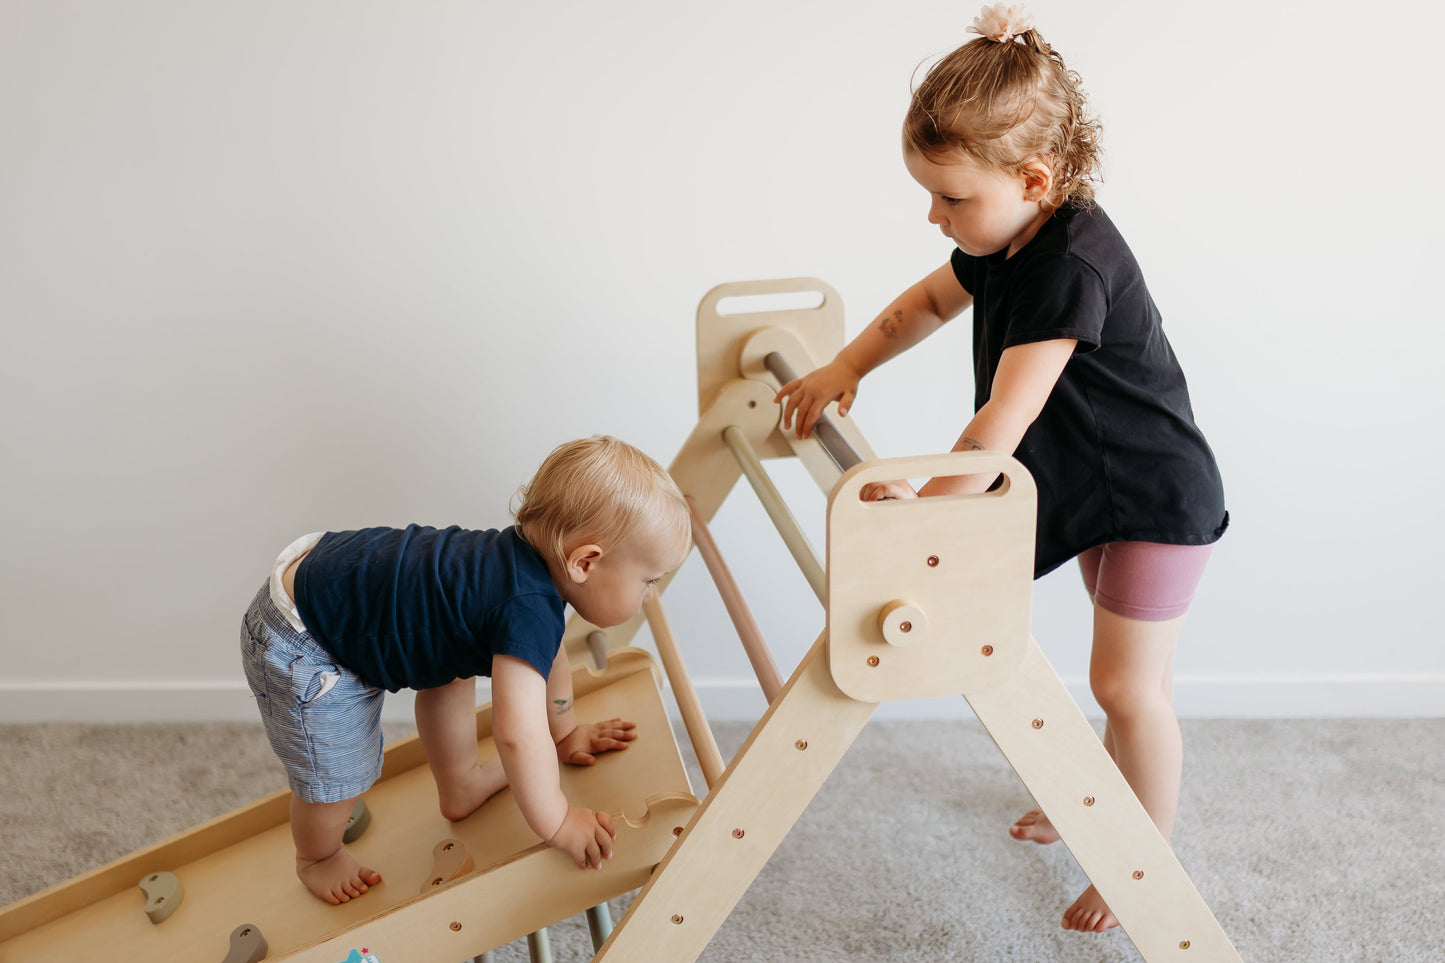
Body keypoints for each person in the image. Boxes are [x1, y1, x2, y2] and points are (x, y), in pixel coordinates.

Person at [774, 4, 1227, 934]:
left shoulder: (1068, 264)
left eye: (950, 198)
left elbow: (1001, 422)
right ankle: (1099, 805)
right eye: (930, 195)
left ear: (1033, 177)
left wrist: (930, 510)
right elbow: (918, 305)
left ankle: (1141, 858)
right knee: (1125, 680)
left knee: (1126, 688)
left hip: (1150, 495)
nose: (935, 216)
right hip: (1098, 482)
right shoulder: (1005, 236)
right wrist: (844, 366)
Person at [239, 435, 692, 904]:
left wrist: (564, 731)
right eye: (648, 580)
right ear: (585, 562)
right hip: (306, 641)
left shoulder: (520, 573)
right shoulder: (525, 606)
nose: (650, 596)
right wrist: (557, 819)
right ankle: (316, 858)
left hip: (332, 583)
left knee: (453, 659)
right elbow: (516, 732)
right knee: (339, 774)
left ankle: (460, 785)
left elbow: (548, 657)